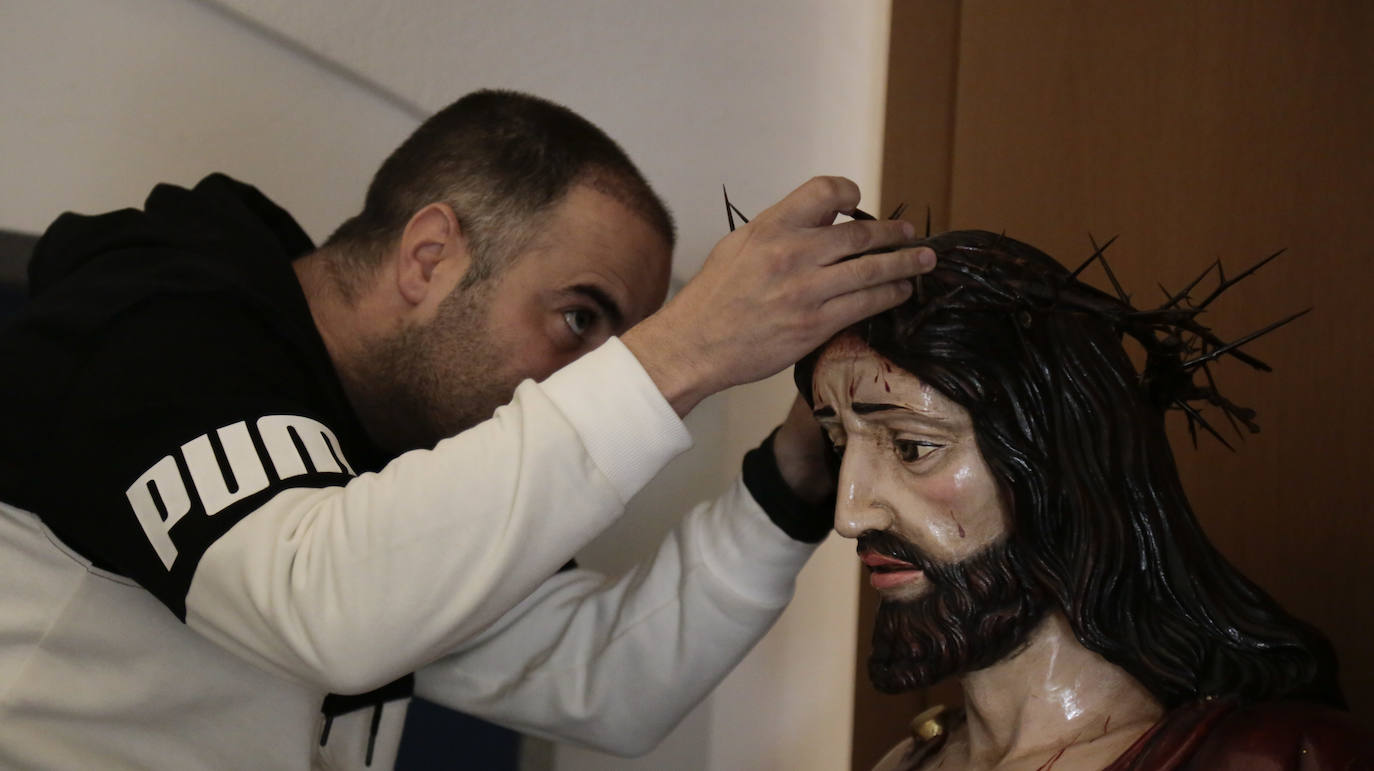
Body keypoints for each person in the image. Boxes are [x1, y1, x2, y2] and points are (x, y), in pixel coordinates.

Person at [0, 89, 936, 769]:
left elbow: (607, 677)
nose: (596, 371)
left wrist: (801, 464)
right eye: (580, 317)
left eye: (618, 337)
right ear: (430, 256)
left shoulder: (395, 460)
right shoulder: (157, 329)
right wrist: (683, 351)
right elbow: (327, 608)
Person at [794, 229, 1374, 770]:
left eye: (915, 446)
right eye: (839, 443)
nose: (849, 515)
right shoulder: (908, 761)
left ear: (1060, 459)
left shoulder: (1273, 759)